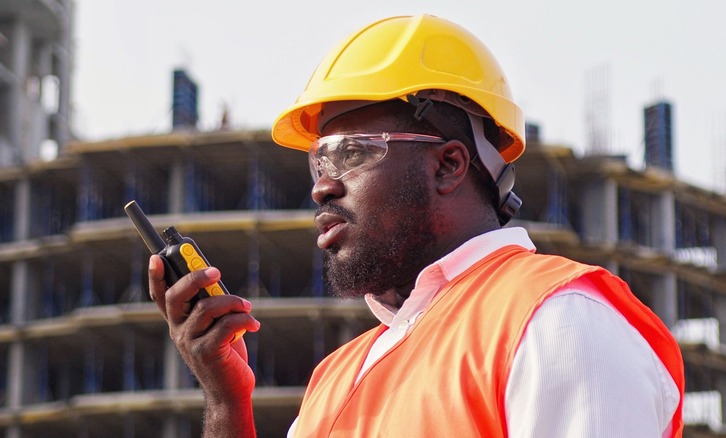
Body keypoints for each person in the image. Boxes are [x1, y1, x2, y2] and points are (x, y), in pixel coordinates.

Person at [149, 14, 684, 438]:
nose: (321, 187)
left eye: (351, 154)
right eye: (318, 162)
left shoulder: (557, 323)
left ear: (448, 165)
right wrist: (225, 401)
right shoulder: (336, 380)